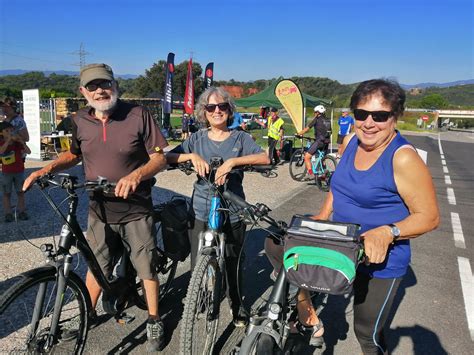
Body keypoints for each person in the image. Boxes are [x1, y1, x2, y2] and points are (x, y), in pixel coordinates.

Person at [266, 79, 440, 353]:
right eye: (362, 114)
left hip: (378, 259)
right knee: (277, 244)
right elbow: (340, 185)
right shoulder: (350, 141)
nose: (369, 123)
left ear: (395, 117)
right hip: (340, 241)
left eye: (380, 115)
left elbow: (429, 216)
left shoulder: (402, 158)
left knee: (367, 334)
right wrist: (324, 213)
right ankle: (307, 315)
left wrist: (388, 232)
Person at [22, 63, 169, 351]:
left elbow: (160, 158)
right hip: (99, 208)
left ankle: (154, 318)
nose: (100, 90)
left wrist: (136, 175)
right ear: (83, 91)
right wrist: (47, 168)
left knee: (146, 267)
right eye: (92, 86)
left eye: (105, 84)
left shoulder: (138, 114)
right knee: (96, 263)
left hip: (136, 208)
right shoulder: (80, 120)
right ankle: (86, 315)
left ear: (115, 85)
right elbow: (74, 154)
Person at [166, 86, 269, 327]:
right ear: (204, 111)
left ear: (229, 110)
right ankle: (199, 300)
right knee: (197, 260)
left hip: (232, 209)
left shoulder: (240, 138)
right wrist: (191, 157)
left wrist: (233, 161)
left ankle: (237, 304)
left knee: (233, 262)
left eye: (222, 106)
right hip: (202, 207)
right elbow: (168, 158)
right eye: (211, 107)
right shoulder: (197, 138)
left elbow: (265, 158)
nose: (217, 111)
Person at [0, 121, 31, 222]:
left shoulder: (17, 143)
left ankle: (22, 211)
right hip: (6, 172)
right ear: (2, 133)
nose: (10, 132)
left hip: (19, 171)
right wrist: (8, 141)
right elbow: (1, 151)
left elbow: (28, 151)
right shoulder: (2, 142)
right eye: (7, 131)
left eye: (11, 130)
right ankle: (8, 213)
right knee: (6, 193)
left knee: (20, 192)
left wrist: (22, 142)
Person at [296, 105, 330, 177]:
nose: (314, 114)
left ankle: (310, 174)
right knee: (322, 159)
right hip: (326, 142)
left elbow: (307, 129)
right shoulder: (328, 120)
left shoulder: (316, 119)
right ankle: (323, 176)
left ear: (318, 113)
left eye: (315, 112)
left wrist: (298, 134)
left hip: (319, 142)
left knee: (307, 157)